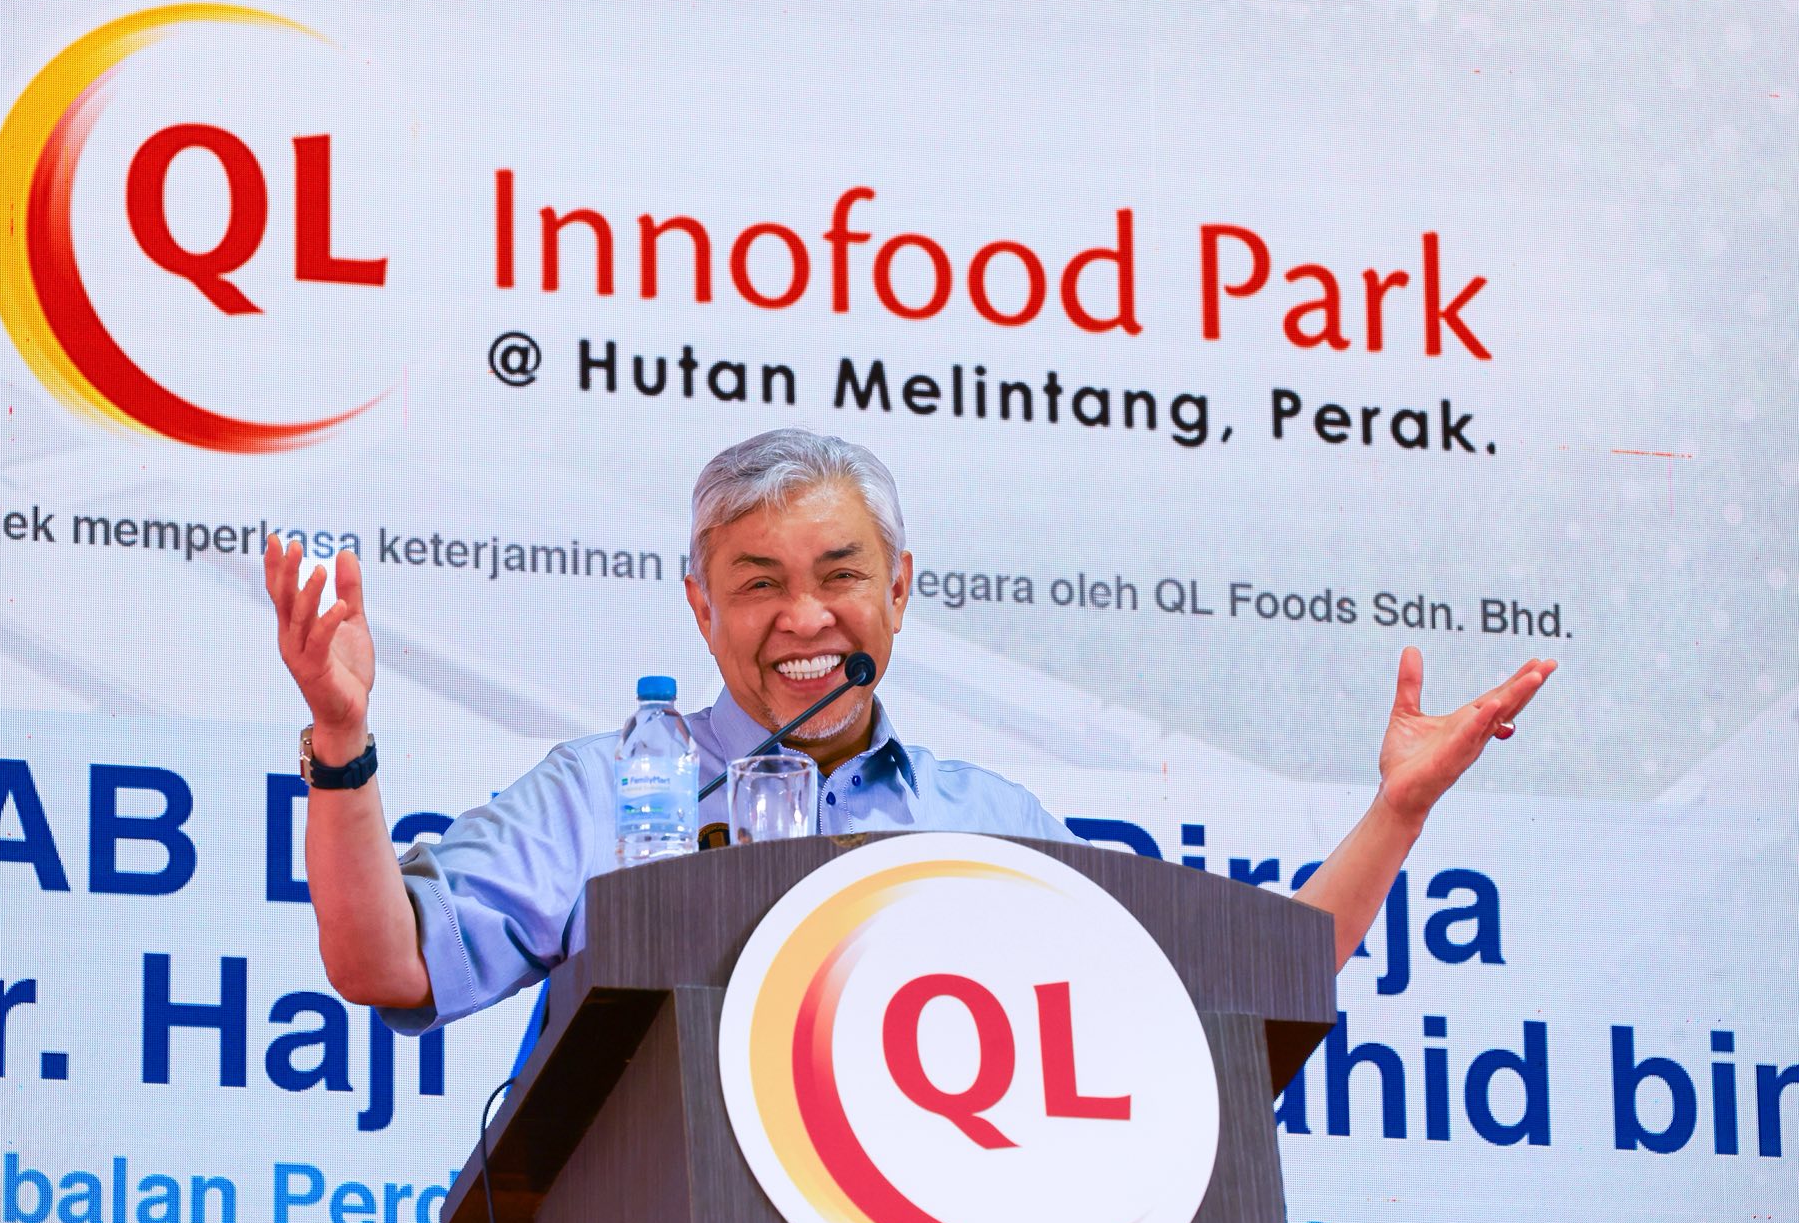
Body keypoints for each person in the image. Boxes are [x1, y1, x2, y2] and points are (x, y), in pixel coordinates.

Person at [263, 429, 1555, 1036]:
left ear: (901, 589)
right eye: (759, 583)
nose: (805, 616)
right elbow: (389, 962)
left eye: (841, 575)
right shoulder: (609, 788)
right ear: (700, 606)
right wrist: (341, 740)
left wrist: (1397, 811)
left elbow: (1221, 1002)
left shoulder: (987, 822)